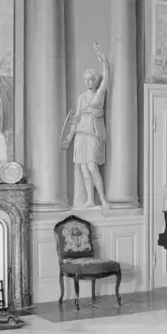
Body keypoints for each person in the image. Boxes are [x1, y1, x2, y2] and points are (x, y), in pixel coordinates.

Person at [62, 42, 109, 211]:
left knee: (92, 166)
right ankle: (90, 200)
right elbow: (77, 117)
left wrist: (104, 61)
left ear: (96, 81)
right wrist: (69, 136)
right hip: (81, 133)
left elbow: (107, 79)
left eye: (91, 79)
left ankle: (103, 199)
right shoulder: (82, 97)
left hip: (93, 133)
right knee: (83, 169)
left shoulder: (99, 94)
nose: (88, 81)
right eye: (86, 79)